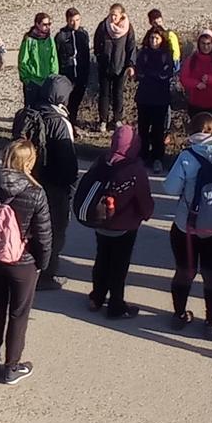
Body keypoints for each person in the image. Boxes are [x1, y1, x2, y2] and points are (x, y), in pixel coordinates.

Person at [159, 113, 212, 335]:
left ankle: (179, 315)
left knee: (185, 271)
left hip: (187, 227)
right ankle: (211, 322)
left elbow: (170, 189)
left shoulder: (187, 157)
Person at [0, 139, 53, 385]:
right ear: (29, 162)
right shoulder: (36, 192)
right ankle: (12, 367)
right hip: (23, 260)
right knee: (18, 313)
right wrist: (43, 264)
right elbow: (43, 234)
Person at [73, 123, 155, 317]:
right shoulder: (135, 169)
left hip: (101, 222)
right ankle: (116, 304)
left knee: (102, 258)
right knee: (119, 265)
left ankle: (97, 297)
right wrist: (147, 213)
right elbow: (144, 199)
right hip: (124, 227)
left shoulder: (103, 161)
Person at [13, 77, 80, 288]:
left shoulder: (29, 112)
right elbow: (67, 160)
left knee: (30, 227)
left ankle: (25, 268)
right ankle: (46, 275)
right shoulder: (59, 122)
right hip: (53, 186)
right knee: (54, 230)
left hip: (28, 181)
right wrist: (71, 185)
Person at [133, 27, 176, 173]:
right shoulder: (143, 53)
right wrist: (153, 75)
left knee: (158, 131)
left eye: (156, 38)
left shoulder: (166, 54)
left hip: (160, 99)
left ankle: (158, 158)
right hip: (144, 98)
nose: (153, 41)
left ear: (162, 39)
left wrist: (151, 75)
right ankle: (143, 156)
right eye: (151, 38)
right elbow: (139, 72)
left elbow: (167, 73)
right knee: (143, 129)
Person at [93, 4, 137, 133]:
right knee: (104, 94)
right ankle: (103, 120)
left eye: (115, 15)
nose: (113, 17)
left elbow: (131, 46)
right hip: (105, 66)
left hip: (120, 66)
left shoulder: (128, 28)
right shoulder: (103, 26)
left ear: (121, 15)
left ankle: (117, 119)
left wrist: (130, 64)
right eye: (111, 14)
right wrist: (100, 57)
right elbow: (96, 43)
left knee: (118, 94)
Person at [178, 28, 212, 128]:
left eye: (209, 44)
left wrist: (210, 80)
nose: (206, 47)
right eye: (203, 43)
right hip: (196, 105)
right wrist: (196, 84)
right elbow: (183, 78)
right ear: (198, 44)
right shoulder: (192, 60)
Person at [54, 7, 92, 117]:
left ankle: (73, 120)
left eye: (77, 20)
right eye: (72, 20)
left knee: (78, 97)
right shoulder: (61, 36)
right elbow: (57, 54)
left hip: (81, 71)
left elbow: (86, 53)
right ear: (67, 21)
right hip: (67, 72)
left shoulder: (83, 33)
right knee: (66, 99)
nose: (75, 23)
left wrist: (86, 70)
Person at [18, 12, 57, 98]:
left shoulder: (50, 40)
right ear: (37, 24)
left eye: (49, 24)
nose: (47, 27)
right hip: (33, 82)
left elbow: (54, 60)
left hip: (47, 82)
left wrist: (53, 77)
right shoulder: (29, 40)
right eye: (44, 24)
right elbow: (23, 61)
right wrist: (27, 80)